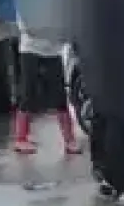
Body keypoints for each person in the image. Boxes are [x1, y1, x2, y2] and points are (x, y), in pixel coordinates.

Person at [11, 14, 81, 156]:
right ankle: (20, 139)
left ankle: (69, 140)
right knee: (28, 93)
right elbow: (27, 27)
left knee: (60, 95)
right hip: (30, 50)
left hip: (54, 52)